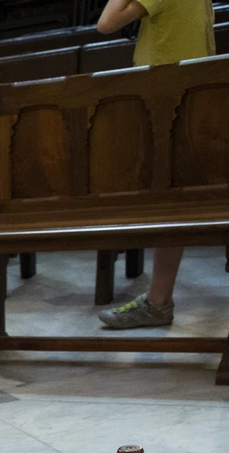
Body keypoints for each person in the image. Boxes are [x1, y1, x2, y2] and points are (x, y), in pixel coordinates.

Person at [94, 0, 215, 329]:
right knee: (172, 199)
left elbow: (106, 22)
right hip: (185, 92)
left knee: (169, 200)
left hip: (167, 97)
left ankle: (158, 302)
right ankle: (158, 299)